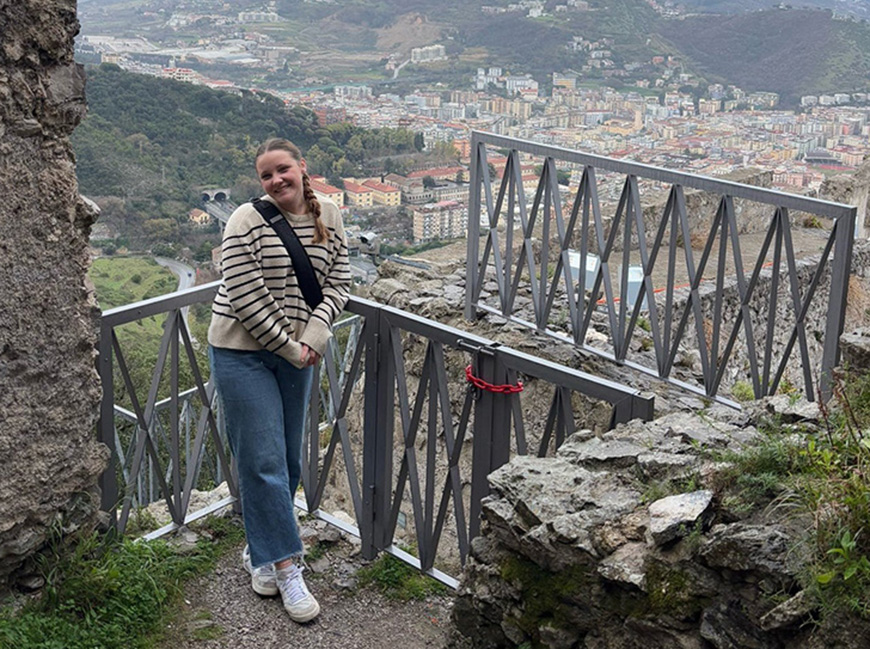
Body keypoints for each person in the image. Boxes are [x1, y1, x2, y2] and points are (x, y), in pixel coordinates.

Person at [207, 137, 351, 622]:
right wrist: (294, 348)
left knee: (286, 458)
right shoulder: (244, 220)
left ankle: (263, 548)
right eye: (266, 175)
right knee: (262, 459)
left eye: (282, 169)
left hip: (299, 352)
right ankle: (288, 568)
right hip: (241, 353)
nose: (276, 180)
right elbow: (245, 298)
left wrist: (314, 335)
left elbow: (339, 283)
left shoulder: (330, 214)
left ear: (302, 167)